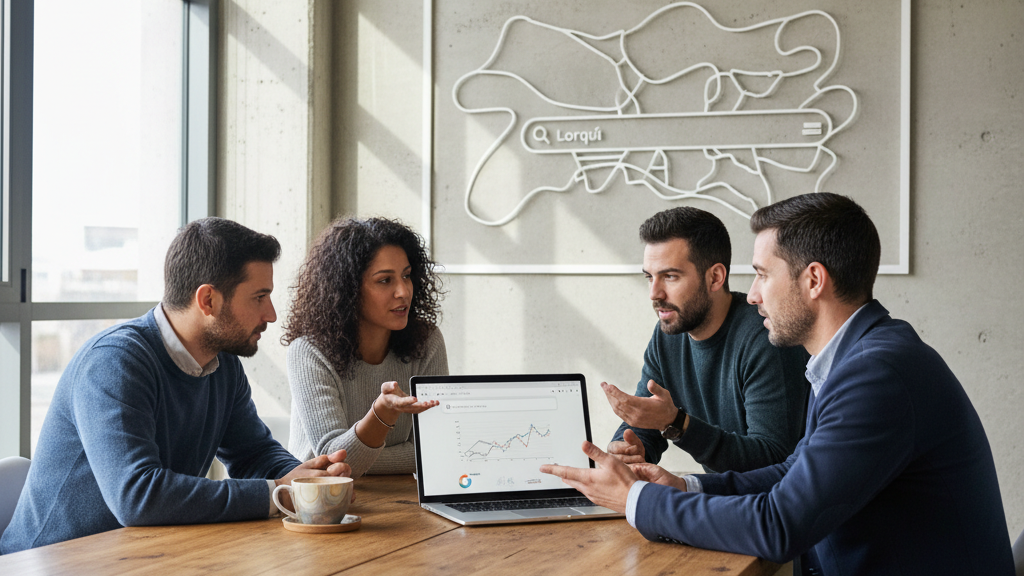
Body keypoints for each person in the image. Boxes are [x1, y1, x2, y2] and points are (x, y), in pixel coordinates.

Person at [542, 194, 1014, 575]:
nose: (752, 294)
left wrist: (637, 500)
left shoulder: (876, 373)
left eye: (764, 275)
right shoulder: (858, 357)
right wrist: (683, 487)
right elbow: (794, 469)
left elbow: (779, 524)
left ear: (813, 280)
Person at [1, 218, 351, 554]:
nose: (271, 315)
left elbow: (253, 453)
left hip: (142, 556)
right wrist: (276, 494)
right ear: (208, 300)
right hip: (49, 563)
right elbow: (137, 496)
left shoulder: (222, 363)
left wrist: (309, 480)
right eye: (259, 297)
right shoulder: (114, 362)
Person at [605, 207, 809, 473]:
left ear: (715, 277)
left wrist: (678, 424)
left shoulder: (766, 337)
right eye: (649, 277)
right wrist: (630, 448)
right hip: (718, 501)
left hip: (767, 508)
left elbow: (773, 459)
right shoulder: (668, 334)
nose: (654, 293)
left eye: (670, 276)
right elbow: (648, 419)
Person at [283, 217, 446, 478]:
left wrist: (361, 455)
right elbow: (333, 461)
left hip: (402, 497)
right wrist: (381, 415)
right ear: (347, 289)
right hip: (321, 504)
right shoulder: (308, 352)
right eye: (385, 281)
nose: (403, 291)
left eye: (406, 276)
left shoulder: (427, 342)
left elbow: (439, 447)